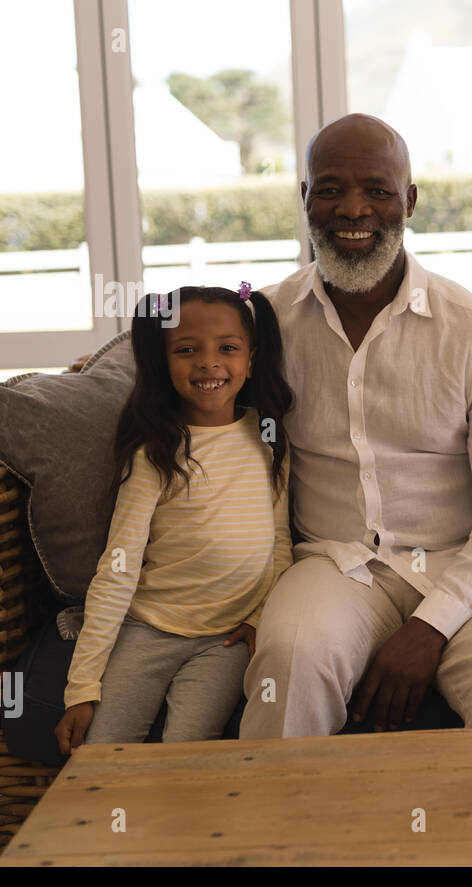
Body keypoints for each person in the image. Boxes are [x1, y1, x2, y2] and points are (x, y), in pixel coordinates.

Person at [238, 113, 472, 739]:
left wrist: (431, 625)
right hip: (335, 565)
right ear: (303, 197)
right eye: (329, 188)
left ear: (408, 200)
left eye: (377, 190)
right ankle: (279, 834)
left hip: (471, 565)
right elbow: (190, 367)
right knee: (288, 663)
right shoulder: (265, 322)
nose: (352, 208)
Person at [54, 285, 294, 753]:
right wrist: (81, 688)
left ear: (251, 358)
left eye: (227, 348)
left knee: (188, 750)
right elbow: (117, 568)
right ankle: (111, 825)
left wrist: (259, 615)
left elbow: (279, 543)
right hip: (149, 628)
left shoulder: (269, 439)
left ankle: (179, 827)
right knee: (102, 751)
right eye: (187, 350)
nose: (208, 363)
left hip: (223, 641)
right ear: (164, 363)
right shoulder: (156, 453)